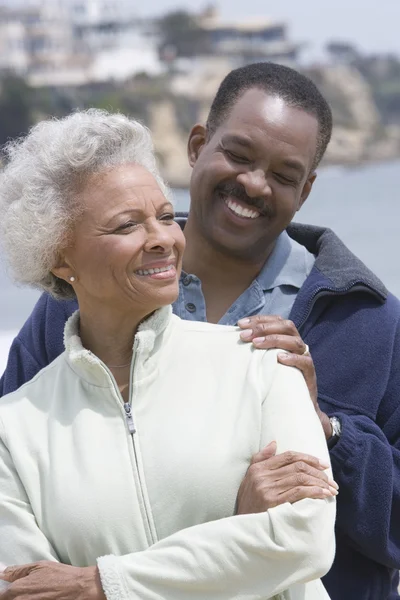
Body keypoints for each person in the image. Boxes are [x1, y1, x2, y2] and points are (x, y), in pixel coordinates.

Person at [1, 62, 400, 599]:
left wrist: (331, 435)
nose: (253, 183)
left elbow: (323, 537)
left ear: (305, 191)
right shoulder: (67, 312)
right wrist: (237, 522)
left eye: (283, 175)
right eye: (238, 155)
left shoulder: (370, 322)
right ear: (196, 145)